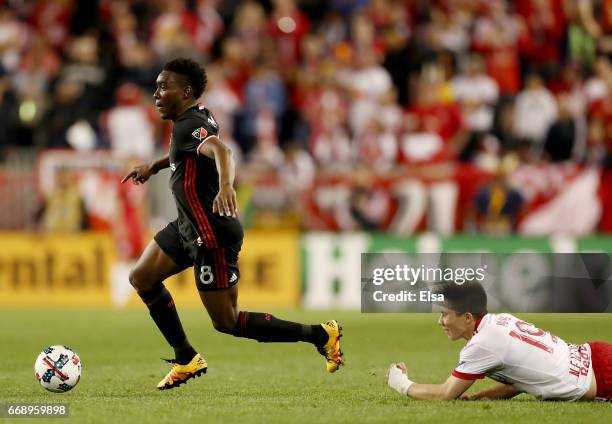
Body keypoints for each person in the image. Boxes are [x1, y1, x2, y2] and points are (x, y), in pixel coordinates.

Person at [122, 58, 343, 390]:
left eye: (163, 87)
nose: (155, 93)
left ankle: (319, 334)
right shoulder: (194, 117)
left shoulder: (188, 125)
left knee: (226, 322)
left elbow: (222, 151)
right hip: (187, 227)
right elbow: (187, 153)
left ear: (185, 92)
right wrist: (154, 166)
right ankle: (185, 358)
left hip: (210, 234)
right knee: (142, 277)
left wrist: (226, 186)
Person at [385, 282, 611, 401]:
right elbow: (517, 380)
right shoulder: (500, 321)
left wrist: (402, 383)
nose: (440, 321)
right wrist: (477, 398)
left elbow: (445, 394)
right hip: (595, 354)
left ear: (467, 317)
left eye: (444, 314)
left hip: (601, 378)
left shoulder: (482, 344)